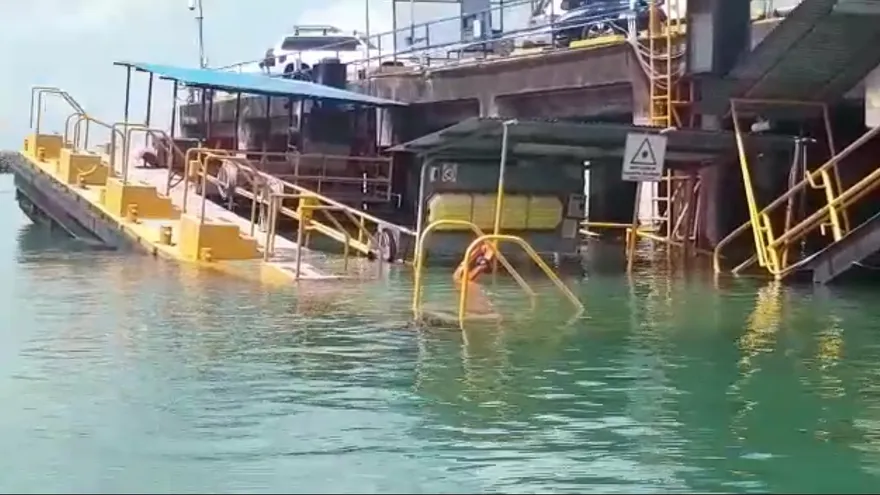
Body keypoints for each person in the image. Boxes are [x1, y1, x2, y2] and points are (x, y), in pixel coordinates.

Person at [453, 241, 498, 316]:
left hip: (475, 309)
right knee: (461, 279)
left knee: (460, 279)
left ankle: (480, 254)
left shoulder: (461, 279)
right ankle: (481, 256)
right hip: (477, 310)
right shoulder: (463, 280)